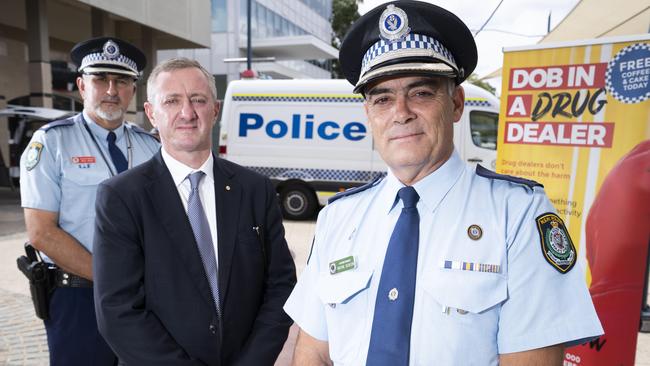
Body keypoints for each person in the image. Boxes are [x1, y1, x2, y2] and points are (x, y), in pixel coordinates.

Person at [283, 1, 603, 365]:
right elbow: (313, 352)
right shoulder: (337, 218)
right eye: (382, 99)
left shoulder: (518, 214)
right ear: (368, 115)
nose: (400, 113)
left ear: (455, 103)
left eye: (420, 93)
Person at [92, 57, 297, 365]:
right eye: (172, 101)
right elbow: (118, 311)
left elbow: (281, 287)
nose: (187, 113)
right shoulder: (121, 197)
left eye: (197, 100)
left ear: (214, 110)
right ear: (151, 113)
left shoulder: (255, 190)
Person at [19, 37, 160, 365]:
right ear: (82, 86)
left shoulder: (151, 147)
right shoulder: (52, 143)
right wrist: (115, 278)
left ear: (133, 90)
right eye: (101, 80)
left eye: (122, 81)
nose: (112, 89)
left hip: (145, 298)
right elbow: (41, 232)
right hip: (78, 297)